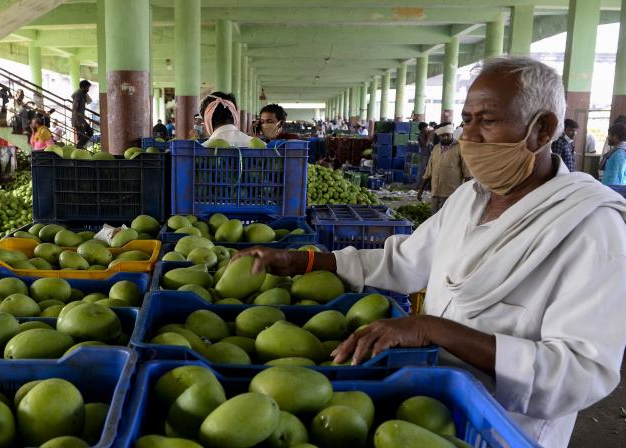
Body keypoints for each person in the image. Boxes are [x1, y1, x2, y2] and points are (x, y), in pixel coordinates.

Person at [234, 56, 626, 448]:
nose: (468, 137)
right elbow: (402, 260)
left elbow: (581, 371)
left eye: (487, 121)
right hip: (429, 409)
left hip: (505, 429)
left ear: (543, 130)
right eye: (466, 120)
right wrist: (301, 260)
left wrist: (432, 328)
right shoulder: (469, 200)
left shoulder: (590, 227)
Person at [417, 125, 471, 213]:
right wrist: (420, 190)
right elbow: (428, 172)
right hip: (435, 192)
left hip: (452, 193)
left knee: (448, 219)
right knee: (434, 218)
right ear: (439, 136)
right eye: (442, 135)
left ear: (452, 134)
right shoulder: (435, 149)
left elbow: (467, 174)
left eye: (448, 135)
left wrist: (467, 193)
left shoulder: (460, 148)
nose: (445, 137)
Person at [71, 80, 94, 149]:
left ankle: (79, 147)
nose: (88, 90)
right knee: (82, 136)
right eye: (87, 88)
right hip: (78, 119)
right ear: (83, 87)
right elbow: (75, 108)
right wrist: (78, 121)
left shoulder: (82, 94)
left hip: (81, 119)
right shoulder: (78, 94)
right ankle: (79, 148)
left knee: (90, 131)